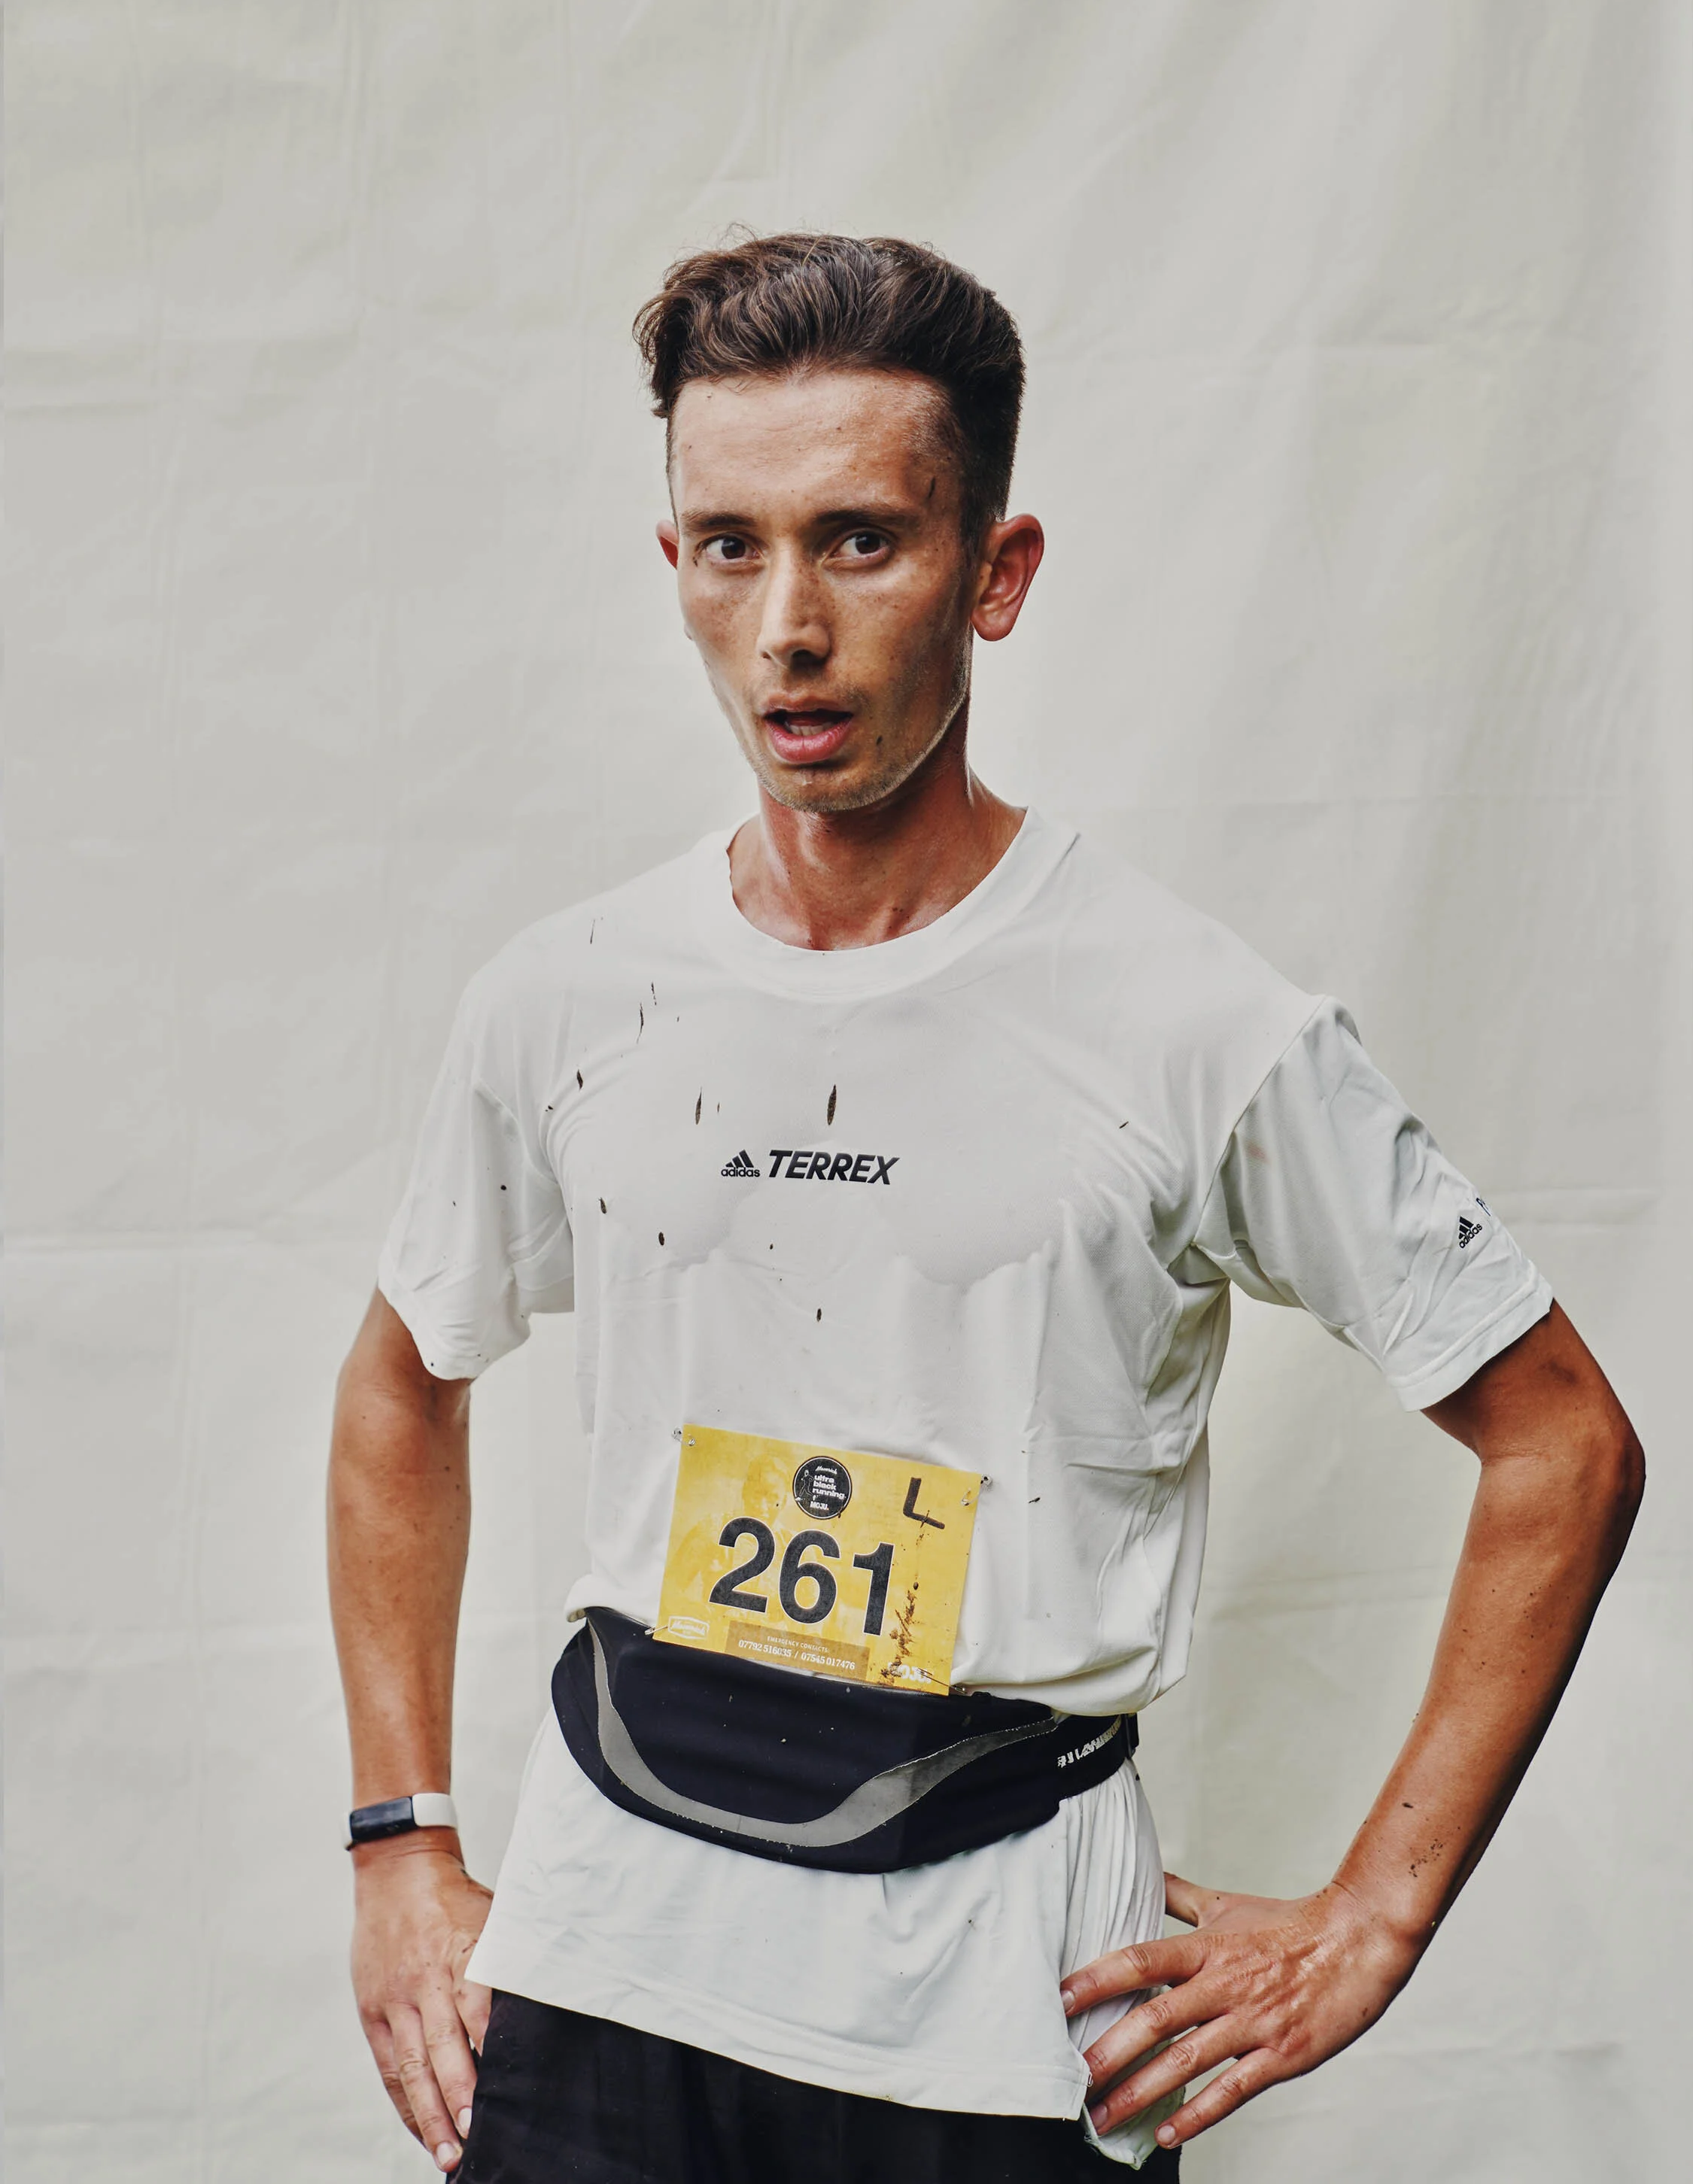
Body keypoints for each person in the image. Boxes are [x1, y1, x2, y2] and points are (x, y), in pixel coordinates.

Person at [328, 233, 1643, 2182]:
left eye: (860, 541)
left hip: (1001, 2015)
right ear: (673, 563)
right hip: (606, 1977)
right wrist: (401, 1845)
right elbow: (400, 1383)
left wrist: (1375, 1916)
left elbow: (1563, 1438)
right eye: (730, 546)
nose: (788, 625)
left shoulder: (1192, 1025)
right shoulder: (566, 997)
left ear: (995, 572)